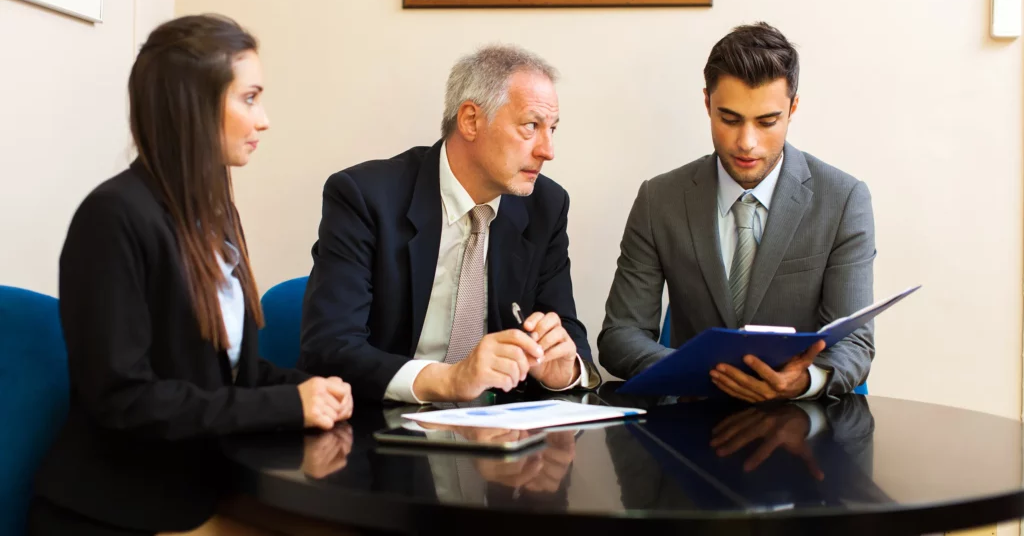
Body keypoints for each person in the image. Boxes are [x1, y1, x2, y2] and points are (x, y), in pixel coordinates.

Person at [30, 14, 353, 535]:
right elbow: (125, 398)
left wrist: (309, 388)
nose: (264, 119)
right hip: (115, 511)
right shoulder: (113, 216)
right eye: (249, 98)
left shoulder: (213, 213)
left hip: (201, 490)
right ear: (194, 107)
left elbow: (224, 375)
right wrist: (286, 403)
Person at [299, 44, 600, 404]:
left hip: (500, 437)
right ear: (471, 120)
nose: (547, 150)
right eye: (531, 126)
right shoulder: (365, 197)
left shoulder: (545, 206)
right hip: (384, 428)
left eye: (552, 129)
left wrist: (563, 372)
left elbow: (567, 333)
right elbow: (330, 347)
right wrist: (447, 379)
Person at [599, 22, 875, 401]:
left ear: (793, 108)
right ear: (707, 103)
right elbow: (620, 336)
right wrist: (695, 375)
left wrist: (804, 380)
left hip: (804, 427)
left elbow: (856, 343)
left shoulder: (843, 200)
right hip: (691, 424)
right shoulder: (658, 199)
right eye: (729, 119)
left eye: (767, 122)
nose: (747, 143)